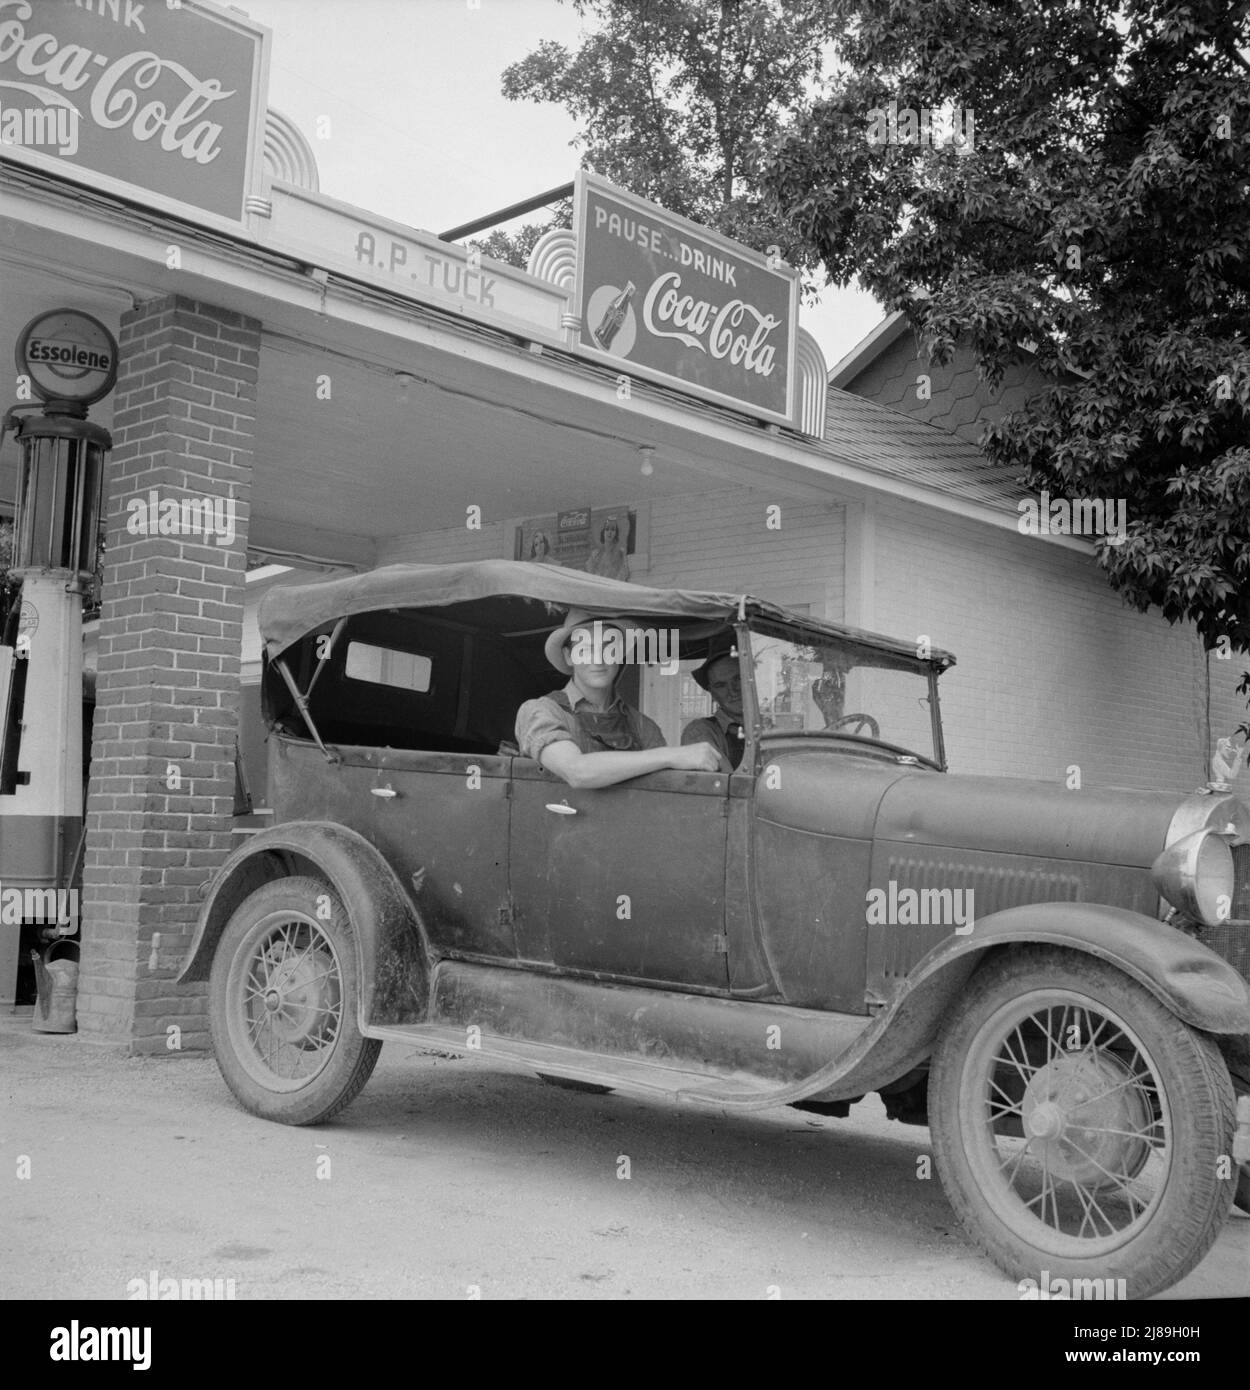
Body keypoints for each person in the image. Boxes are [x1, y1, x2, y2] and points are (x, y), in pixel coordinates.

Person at [516, 609, 722, 788]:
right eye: (586, 649)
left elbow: (660, 794)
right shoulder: (541, 712)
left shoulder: (643, 727)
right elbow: (576, 772)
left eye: (609, 647)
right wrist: (672, 755)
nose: (599, 658)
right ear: (569, 656)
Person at [682, 649, 746, 770]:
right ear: (713, 694)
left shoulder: (770, 726)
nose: (732, 690)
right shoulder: (700, 732)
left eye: (737, 679)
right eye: (721, 685)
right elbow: (731, 786)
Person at [585, 516, 630, 581]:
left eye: (613, 529)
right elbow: (589, 572)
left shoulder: (621, 553)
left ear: (616, 533)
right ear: (603, 532)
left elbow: (625, 572)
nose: (610, 532)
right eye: (607, 529)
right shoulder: (595, 554)